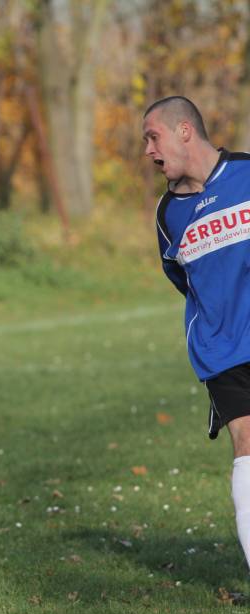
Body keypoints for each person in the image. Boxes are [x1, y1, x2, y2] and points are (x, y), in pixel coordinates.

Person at [143, 96, 250, 569]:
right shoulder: (169, 215)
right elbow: (181, 277)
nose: (148, 150)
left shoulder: (247, 173)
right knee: (246, 446)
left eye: (153, 137)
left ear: (184, 130)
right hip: (222, 349)